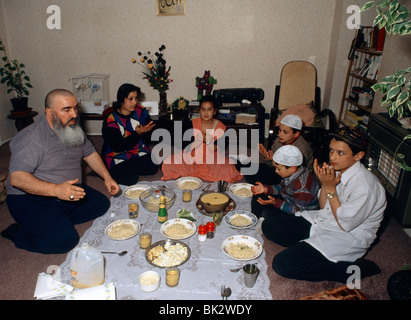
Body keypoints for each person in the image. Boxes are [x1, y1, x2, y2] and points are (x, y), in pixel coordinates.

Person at [2, 89, 120, 254]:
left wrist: (107, 177)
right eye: (66, 109)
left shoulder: (72, 127)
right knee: (65, 241)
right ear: (49, 112)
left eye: (75, 108)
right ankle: (19, 233)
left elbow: (90, 153)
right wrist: (56, 190)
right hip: (30, 198)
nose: (74, 114)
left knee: (101, 205)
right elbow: (17, 179)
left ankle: (55, 222)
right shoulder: (31, 137)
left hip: (64, 190)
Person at [262, 126, 387, 283]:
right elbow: (323, 207)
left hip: (346, 235)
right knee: (269, 226)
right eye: (331, 151)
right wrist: (326, 185)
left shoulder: (366, 187)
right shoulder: (335, 170)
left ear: (359, 155)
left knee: (282, 264)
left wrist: (329, 188)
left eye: (340, 153)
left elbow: (345, 224)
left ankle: (349, 271)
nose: (333, 157)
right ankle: (309, 250)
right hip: (324, 221)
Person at [161, 95, 243, 182]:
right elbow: (187, 148)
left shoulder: (221, 127)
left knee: (227, 170)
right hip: (192, 156)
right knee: (168, 163)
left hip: (212, 158)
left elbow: (215, 148)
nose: (206, 113)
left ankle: (233, 160)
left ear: (215, 111)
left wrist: (207, 141)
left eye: (209, 109)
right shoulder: (191, 124)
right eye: (203, 109)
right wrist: (197, 141)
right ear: (199, 110)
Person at [101, 83, 159, 186]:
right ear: (121, 100)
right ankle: (123, 168)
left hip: (137, 150)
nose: (134, 102)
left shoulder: (140, 111)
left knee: (154, 166)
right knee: (130, 180)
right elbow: (117, 146)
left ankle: (130, 166)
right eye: (130, 99)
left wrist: (147, 131)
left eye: (136, 98)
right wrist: (137, 133)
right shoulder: (111, 120)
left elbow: (148, 136)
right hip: (117, 153)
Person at [243, 114, 313, 185]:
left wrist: (273, 161)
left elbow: (296, 173)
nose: (280, 134)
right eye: (280, 130)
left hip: (292, 177)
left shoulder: (301, 149)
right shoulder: (278, 141)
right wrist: (267, 158)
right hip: (279, 169)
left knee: (261, 181)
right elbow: (274, 166)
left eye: (285, 132)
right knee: (249, 169)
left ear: (296, 134)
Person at [251, 145, 319, 218]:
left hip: (302, 215)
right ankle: (254, 218)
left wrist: (275, 202)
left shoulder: (303, 187)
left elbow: (298, 211)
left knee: (268, 217)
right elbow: (281, 188)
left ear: (292, 169)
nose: (276, 171)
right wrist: (266, 189)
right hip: (289, 200)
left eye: (279, 169)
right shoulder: (294, 173)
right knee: (258, 197)